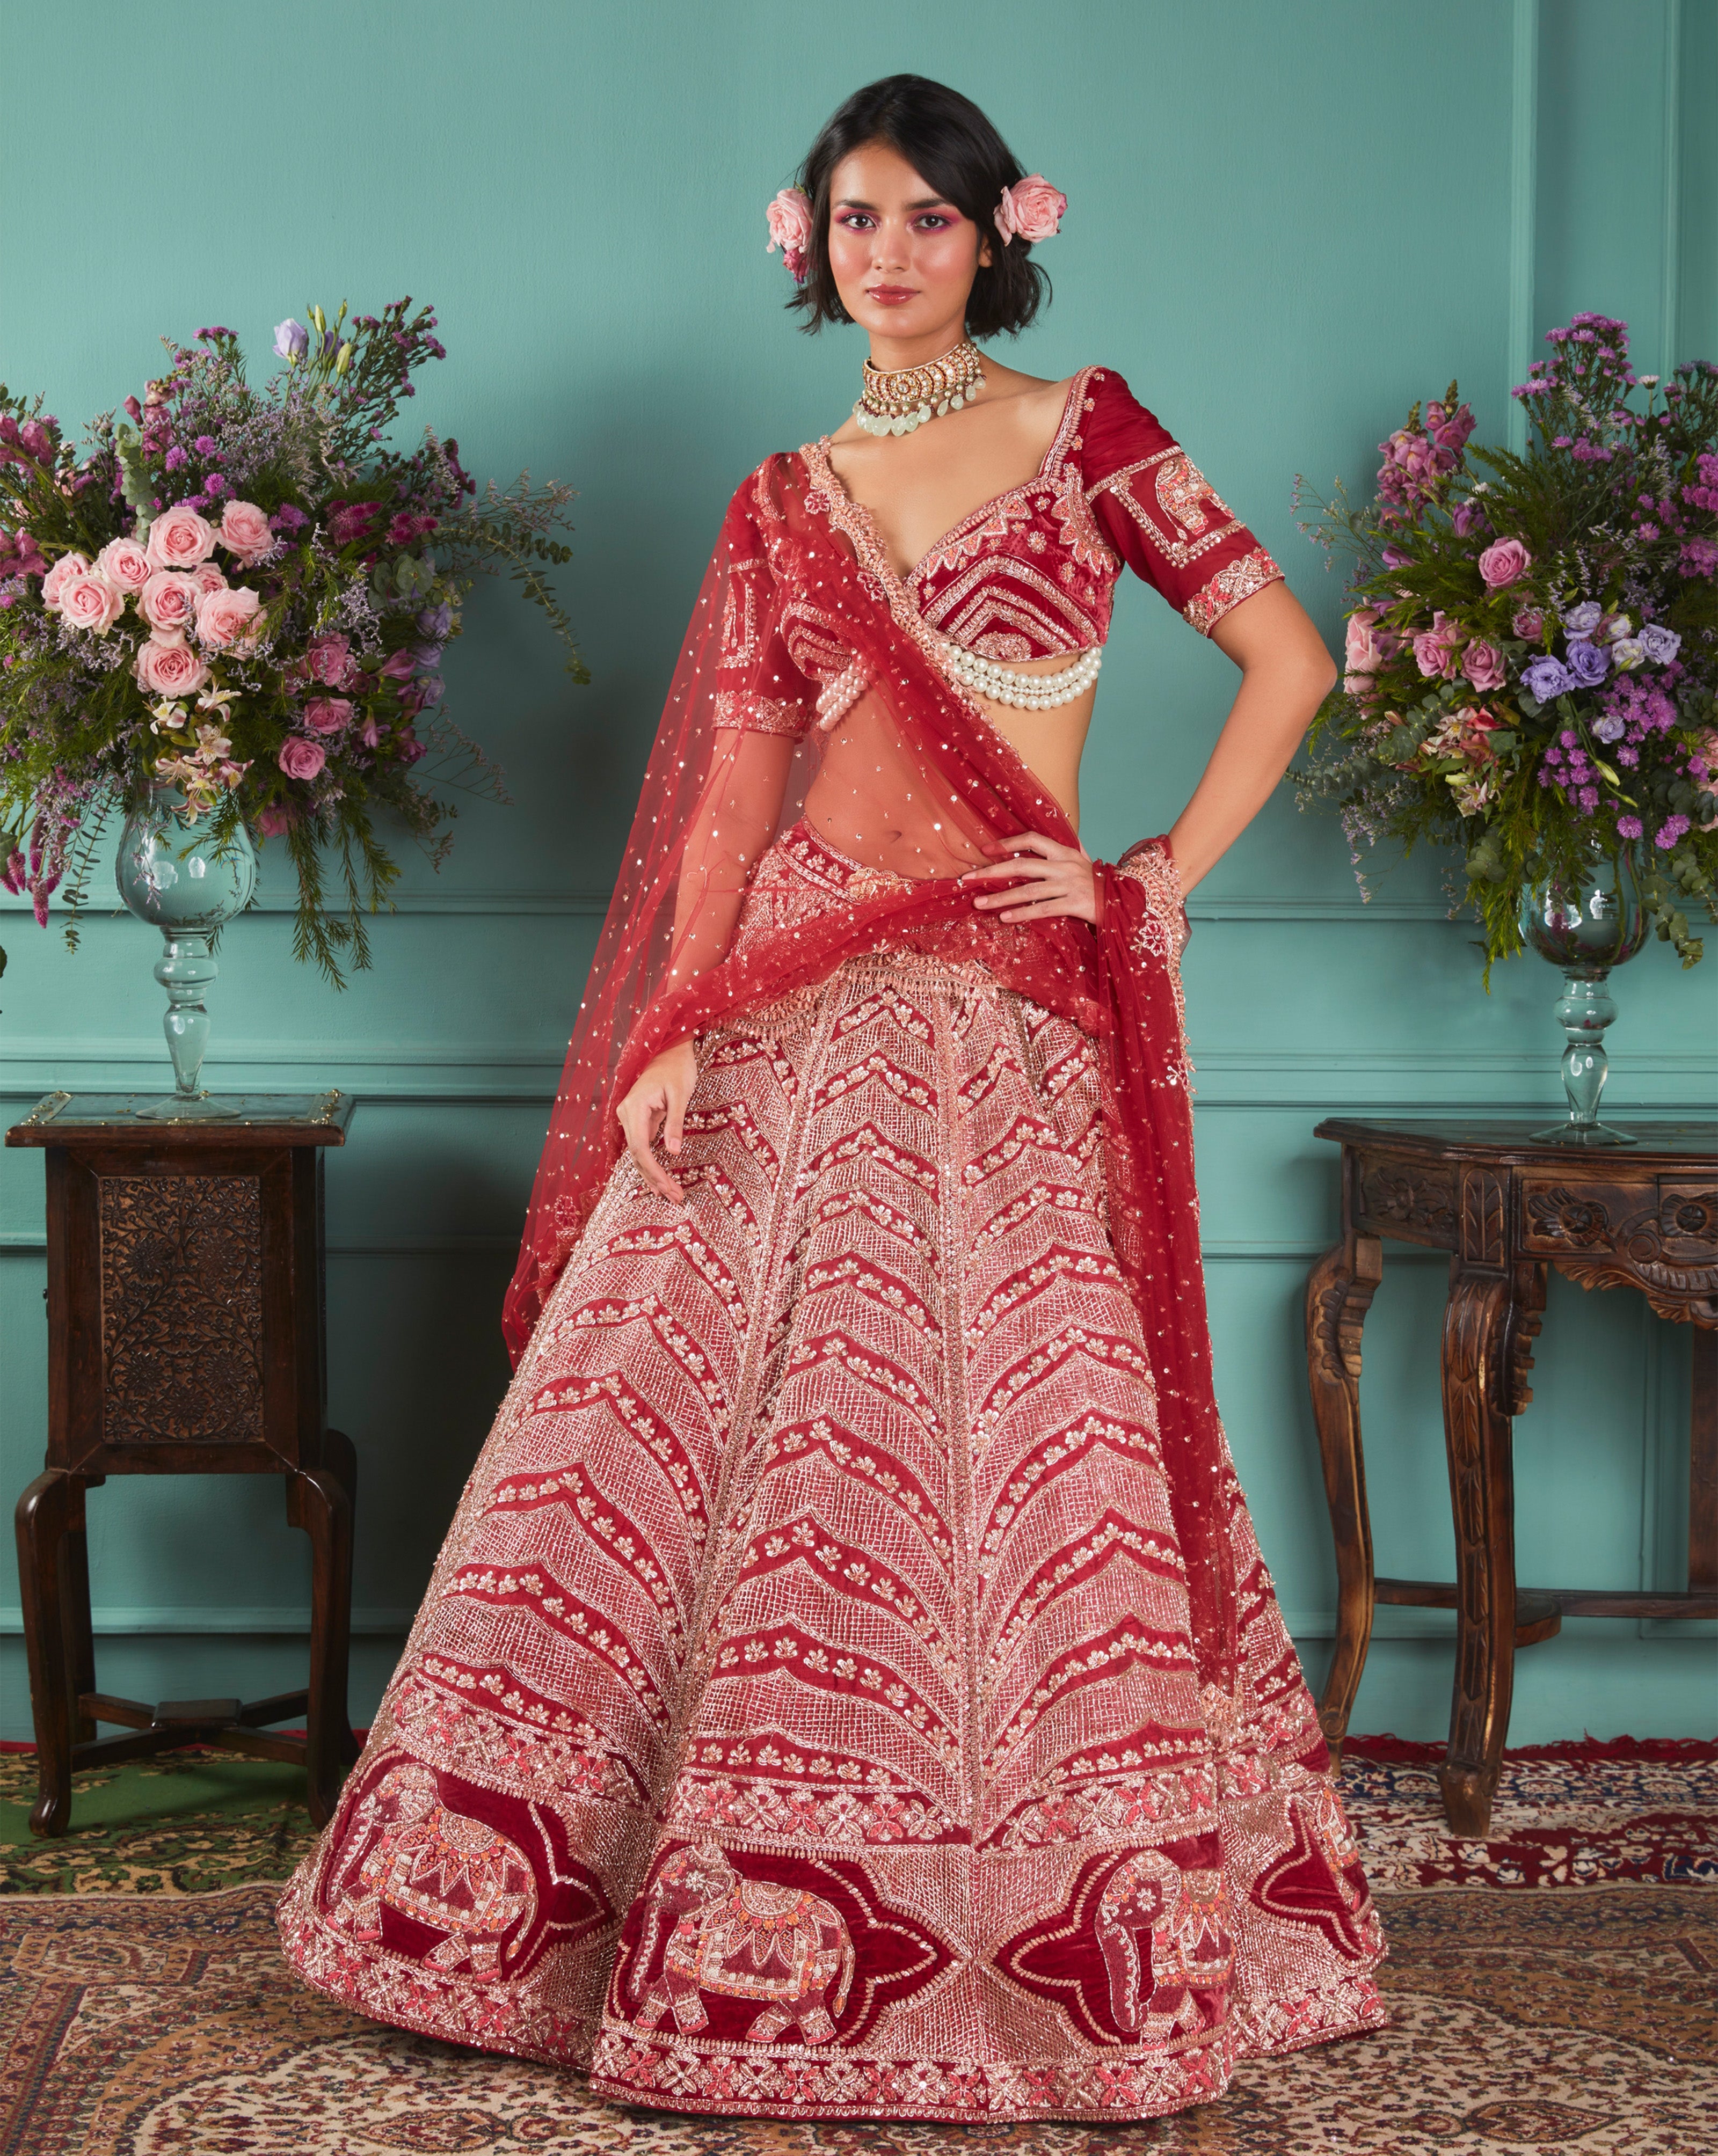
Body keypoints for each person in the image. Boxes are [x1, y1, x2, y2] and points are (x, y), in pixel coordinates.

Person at [278, 74, 1386, 2124]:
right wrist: (674, 1020)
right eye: (854, 219)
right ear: (809, 241)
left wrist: (1149, 878)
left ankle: (1047, 1929)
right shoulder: (786, 496)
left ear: (995, 233)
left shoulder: (1088, 434)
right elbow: (737, 790)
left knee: (1025, 1455)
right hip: (794, 988)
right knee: (665, 1431)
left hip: (1001, 1002)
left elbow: (1291, 659)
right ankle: (585, 1913)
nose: (888, 254)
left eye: (925, 220)